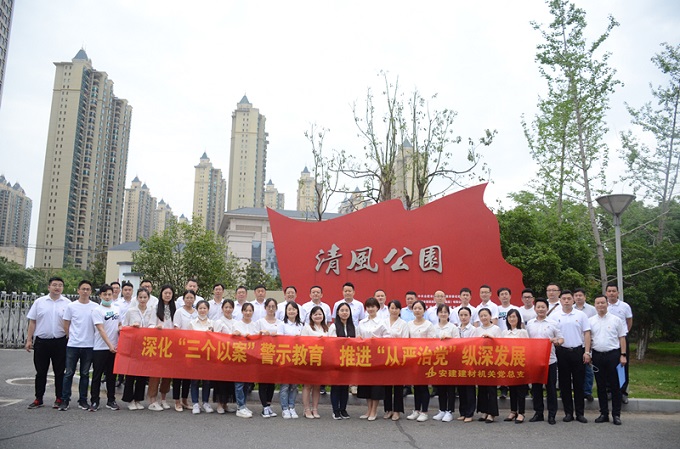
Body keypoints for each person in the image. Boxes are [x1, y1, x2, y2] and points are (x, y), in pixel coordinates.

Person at [25, 276, 70, 410]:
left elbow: (70, 323)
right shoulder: (39, 302)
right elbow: (33, 321)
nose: (57, 288)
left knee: (59, 372)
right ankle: (38, 398)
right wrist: (29, 339)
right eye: (54, 285)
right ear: (49, 287)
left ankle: (59, 398)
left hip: (60, 342)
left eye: (60, 285)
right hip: (42, 342)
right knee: (41, 372)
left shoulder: (67, 303)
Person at [60, 280, 98, 411]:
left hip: (89, 345)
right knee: (69, 373)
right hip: (73, 345)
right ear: (78, 290)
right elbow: (66, 324)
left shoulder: (95, 307)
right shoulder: (71, 306)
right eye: (83, 289)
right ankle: (65, 400)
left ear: (91, 292)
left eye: (88, 289)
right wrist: (70, 336)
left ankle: (83, 400)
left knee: (85, 374)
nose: (85, 291)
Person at [554, 290, 591, 423]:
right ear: (560, 300)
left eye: (569, 298)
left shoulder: (581, 315)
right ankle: (568, 413)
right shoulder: (555, 316)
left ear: (573, 300)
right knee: (564, 384)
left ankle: (580, 413)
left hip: (578, 351)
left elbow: (587, 333)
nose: (566, 301)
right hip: (562, 352)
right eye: (564, 299)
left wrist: (587, 352)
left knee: (578, 383)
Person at [590, 295, 627, 425]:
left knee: (615, 385)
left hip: (613, 355)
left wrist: (623, 355)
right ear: (595, 305)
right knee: (600, 386)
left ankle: (616, 414)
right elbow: (589, 339)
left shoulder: (616, 320)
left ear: (607, 304)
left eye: (602, 303)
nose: (600, 305)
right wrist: (589, 354)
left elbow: (622, 338)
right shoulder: (591, 321)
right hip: (597, 355)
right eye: (598, 303)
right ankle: (603, 413)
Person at [526, 297, 563, 425]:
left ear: (547, 309)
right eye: (538, 307)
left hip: (550, 360)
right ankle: (538, 413)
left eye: (543, 307)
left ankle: (552, 414)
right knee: (536, 388)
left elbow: (561, 338)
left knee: (551, 388)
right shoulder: (530, 324)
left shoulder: (553, 323)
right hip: (535, 361)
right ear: (535, 308)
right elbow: (526, 341)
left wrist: (556, 341)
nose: (541, 309)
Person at [122, 288, 157, 410]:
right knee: (131, 373)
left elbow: (152, 324)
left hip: (146, 345)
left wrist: (151, 328)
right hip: (133, 345)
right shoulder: (131, 311)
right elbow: (124, 326)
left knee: (142, 373)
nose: (142, 300)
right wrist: (132, 327)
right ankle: (129, 399)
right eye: (140, 297)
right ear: (137, 298)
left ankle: (138, 399)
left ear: (148, 298)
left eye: (145, 297)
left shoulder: (151, 311)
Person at [89, 284, 120, 412]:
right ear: (100, 295)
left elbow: (119, 325)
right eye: (105, 294)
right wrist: (110, 345)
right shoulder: (97, 310)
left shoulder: (117, 309)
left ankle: (111, 400)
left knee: (112, 376)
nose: (107, 297)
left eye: (109, 294)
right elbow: (101, 329)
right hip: (100, 348)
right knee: (97, 375)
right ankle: (94, 401)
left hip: (114, 348)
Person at [357, 297, 387, 421]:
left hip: (377, 357)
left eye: (373, 306)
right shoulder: (362, 322)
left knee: (376, 385)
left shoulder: (382, 322)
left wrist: (378, 340)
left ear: (377, 308)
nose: (370, 309)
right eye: (368, 307)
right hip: (365, 356)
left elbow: (388, 338)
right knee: (366, 384)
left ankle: (374, 410)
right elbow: (358, 337)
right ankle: (368, 409)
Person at [406, 300, 436, 422]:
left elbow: (432, 342)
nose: (417, 310)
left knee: (423, 386)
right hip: (413, 359)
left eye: (420, 308)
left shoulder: (428, 325)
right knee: (416, 386)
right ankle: (416, 409)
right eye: (415, 308)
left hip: (424, 359)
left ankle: (424, 411)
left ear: (424, 310)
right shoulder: (409, 324)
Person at [148, 284, 176, 411]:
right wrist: (156, 328)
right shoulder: (155, 308)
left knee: (167, 373)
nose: (168, 295)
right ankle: (152, 400)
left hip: (170, 345)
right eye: (165, 293)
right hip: (157, 344)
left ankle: (163, 399)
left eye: (170, 293)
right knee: (155, 373)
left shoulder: (175, 308)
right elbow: (150, 325)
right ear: (161, 293)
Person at [605, 283, 633, 404]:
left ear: (618, 293)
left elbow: (629, 321)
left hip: (621, 338)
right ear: (606, 293)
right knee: (608, 365)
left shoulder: (625, 306)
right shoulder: (603, 305)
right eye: (609, 291)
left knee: (623, 364)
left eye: (614, 291)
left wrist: (623, 333)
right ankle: (609, 390)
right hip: (608, 339)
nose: (611, 293)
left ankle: (623, 392)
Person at [432, 304, 459, 423]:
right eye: (441, 312)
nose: (443, 314)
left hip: (450, 360)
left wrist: (449, 340)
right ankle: (442, 409)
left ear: (449, 314)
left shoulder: (453, 328)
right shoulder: (434, 327)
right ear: (437, 314)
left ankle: (450, 411)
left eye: (445, 312)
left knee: (450, 387)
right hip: (438, 360)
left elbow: (458, 343)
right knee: (440, 386)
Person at [300, 305, 329, 419]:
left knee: (317, 386)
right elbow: (302, 342)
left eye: (320, 314)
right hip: (309, 360)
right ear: (311, 316)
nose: (318, 316)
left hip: (321, 360)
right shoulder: (307, 327)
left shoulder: (326, 328)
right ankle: (306, 409)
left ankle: (315, 409)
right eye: (315, 314)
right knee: (307, 386)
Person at [382, 299, 409, 421]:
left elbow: (405, 340)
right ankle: (388, 409)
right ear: (388, 309)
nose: (394, 310)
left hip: (398, 357)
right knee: (387, 385)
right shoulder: (383, 322)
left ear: (400, 310)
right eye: (392, 308)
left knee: (398, 385)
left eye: (396, 308)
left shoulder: (403, 324)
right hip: (385, 357)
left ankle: (397, 410)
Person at [172, 289, 198, 412]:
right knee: (178, 375)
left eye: (191, 298)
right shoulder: (179, 312)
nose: (189, 300)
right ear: (183, 299)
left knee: (188, 375)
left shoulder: (197, 312)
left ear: (194, 299)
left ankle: (185, 400)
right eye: (187, 297)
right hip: (181, 346)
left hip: (193, 347)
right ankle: (177, 401)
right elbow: (176, 328)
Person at [255, 297, 281, 418]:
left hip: (275, 356)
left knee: (271, 382)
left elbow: (283, 337)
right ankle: (264, 407)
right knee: (263, 382)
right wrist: (261, 334)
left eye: (273, 306)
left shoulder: (280, 323)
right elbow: (255, 337)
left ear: (276, 308)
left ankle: (269, 405)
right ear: (265, 308)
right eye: (269, 306)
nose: (271, 309)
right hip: (262, 355)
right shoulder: (260, 322)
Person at [328, 302, 355, 419]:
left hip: (348, 360)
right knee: (336, 386)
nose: (344, 313)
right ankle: (335, 410)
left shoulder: (353, 326)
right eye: (342, 310)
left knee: (345, 386)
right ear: (337, 313)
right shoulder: (333, 327)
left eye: (346, 310)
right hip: (336, 360)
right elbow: (332, 343)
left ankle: (343, 409)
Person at [501, 309, 529, 423]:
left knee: (521, 389)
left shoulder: (522, 332)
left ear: (518, 318)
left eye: (514, 317)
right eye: (510, 317)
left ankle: (521, 412)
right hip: (509, 364)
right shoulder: (504, 333)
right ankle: (513, 411)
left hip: (520, 363)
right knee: (512, 389)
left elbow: (528, 347)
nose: (512, 319)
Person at [188, 300, 215, 414]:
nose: (202, 310)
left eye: (205, 308)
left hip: (208, 355)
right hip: (195, 355)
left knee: (206, 380)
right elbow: (189, 339)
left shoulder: (212, 323)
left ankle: (205, 402)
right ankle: (195, 403)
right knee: (194, 380)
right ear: (197, 309)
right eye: (200, 308)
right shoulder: (192, 323)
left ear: (208, 310)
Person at [475, 307, 501, 423]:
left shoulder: (496, 329)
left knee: (491, 388)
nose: (484, 318)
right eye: (481, 316)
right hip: (480, 362)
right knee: (482, 388)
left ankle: (492, 413)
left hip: (492, 361)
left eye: (486, 315)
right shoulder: (477, 330)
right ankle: (484, 411)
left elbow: (501, 344)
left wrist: (492, 339)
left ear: (490, 316)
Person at [232, 302, 258, 418]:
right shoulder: (236, 324)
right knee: (239, 383)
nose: (248, 313)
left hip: (250, 359)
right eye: (246, 310)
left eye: (250, 311)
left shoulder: (255, 325)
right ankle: (240, 407)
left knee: (247, 383)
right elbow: (232, 340)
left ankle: (244, 404)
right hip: (239, 358)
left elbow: (258, 340)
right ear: (242, 312)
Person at [279, 301, 304, 418]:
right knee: (285, 385)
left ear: (297, 311)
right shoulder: (282, 324)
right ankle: (284, 408)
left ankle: (292, 407)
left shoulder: (301, 325)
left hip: (297, 357)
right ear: (286, 311)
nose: (291, 311)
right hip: (285, 357)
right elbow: (279, 340)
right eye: (289, 309)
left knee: (294, 385)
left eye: (294, 309)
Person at [574, 287, 597, 402]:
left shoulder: (592, 310)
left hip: (587, 343)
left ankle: (587, 392)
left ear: (585, 297)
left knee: (588, 369)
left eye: (580, 295)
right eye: (576, 295)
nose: (578, 297)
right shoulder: (570, 309)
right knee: (575, 370)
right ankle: (575, 391)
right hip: (575, 344)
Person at [214, 299, 236, 414]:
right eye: (226, 307)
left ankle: (225, 403)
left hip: (233, 355)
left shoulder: (236, 322)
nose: (228, 309)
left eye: (230, 307)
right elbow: (216, 338)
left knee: (229, 380)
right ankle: (219, 404)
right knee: (220, 380)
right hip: (222, 354)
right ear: (222, 309)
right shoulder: (219, 322)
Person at [456, 306, 477, 422]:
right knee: (461, 389)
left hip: (469, 361)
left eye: (466, 315)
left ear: (470, 316)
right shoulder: (456, 329)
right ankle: (462, 412)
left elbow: (473, 345)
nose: (463, 317)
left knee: (469, 388)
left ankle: (469, 413)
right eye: (461, 315)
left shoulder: (473, 330)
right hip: (458, 362)